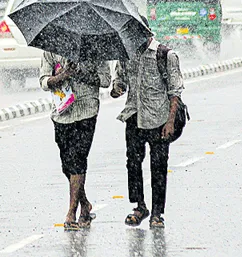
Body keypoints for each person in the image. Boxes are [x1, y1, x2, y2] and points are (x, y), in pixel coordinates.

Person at [111, 35, 184, 229]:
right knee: (133, 163)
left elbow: (175, 91)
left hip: (159, 118)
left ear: (147, 34)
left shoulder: (165, 55)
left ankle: (157, 213)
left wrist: (170, 122)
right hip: (134, 116)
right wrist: (117, 88)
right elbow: (120, 81)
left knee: (158, 166)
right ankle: (140, 206)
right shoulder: (125, 54)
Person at [39, 52, 111, 231]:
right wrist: (63, 76)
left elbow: (105, 80)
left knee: (78, 159)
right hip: (62, 113)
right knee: (67, 165)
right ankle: (84, 203)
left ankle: (71, 212)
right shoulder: (50, 48)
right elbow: (43, 81)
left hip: (87, 110)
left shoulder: (95, 47)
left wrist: (81, 73)